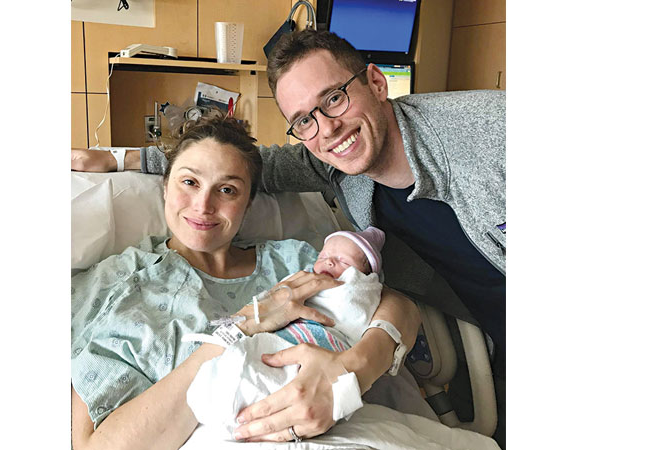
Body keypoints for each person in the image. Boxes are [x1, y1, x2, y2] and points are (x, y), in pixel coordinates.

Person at [71, 29, 506, 444]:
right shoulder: (120, 284)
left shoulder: (492, 132)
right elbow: (236, 160)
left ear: (376, 82)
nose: (327, 129)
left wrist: (355, 368)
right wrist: (120, 158)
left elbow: (386, 299)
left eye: (334, 98)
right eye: (303, 120)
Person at [70, 114, 421, 449]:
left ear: (248, 203)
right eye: (189, 182)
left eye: (227, 190)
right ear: (165, 188)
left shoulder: (294, 261)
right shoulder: (118, 282)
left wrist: (352, 371)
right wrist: (242, 325)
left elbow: (395, 305)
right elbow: (95, 445)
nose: (203, 205)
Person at [187, 227, 389, 438]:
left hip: (322, 353)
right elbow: (273, 300)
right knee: (235, 366)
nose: (329, 262)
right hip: (277, 341)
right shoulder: (298, 277)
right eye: (324, 256)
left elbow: (384, 303)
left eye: (344, 262)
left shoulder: (362, 288)